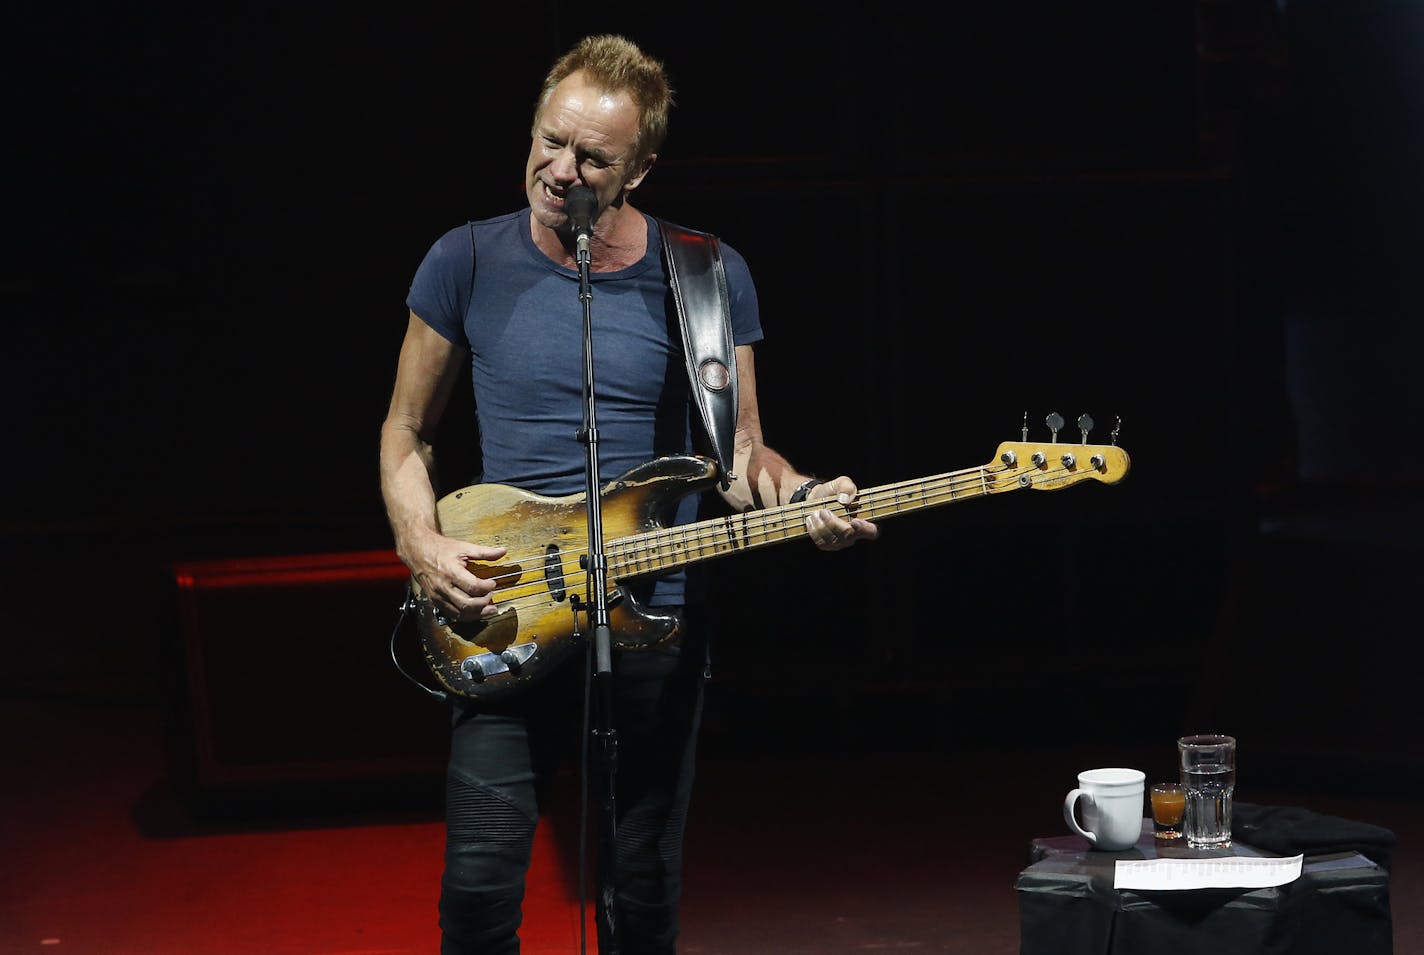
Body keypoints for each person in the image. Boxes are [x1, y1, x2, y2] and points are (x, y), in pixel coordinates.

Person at [378, 34, 878, 954]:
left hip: (652, 618)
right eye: (548, 140)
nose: (559, 170)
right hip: (507, 603)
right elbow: (405, 433)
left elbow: (740, 456)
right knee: (478, 893)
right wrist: (422, 543)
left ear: (640, 168)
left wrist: (802, 494)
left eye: (592, 157)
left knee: (639, 893)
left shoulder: (706, 273)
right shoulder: (464, 260)